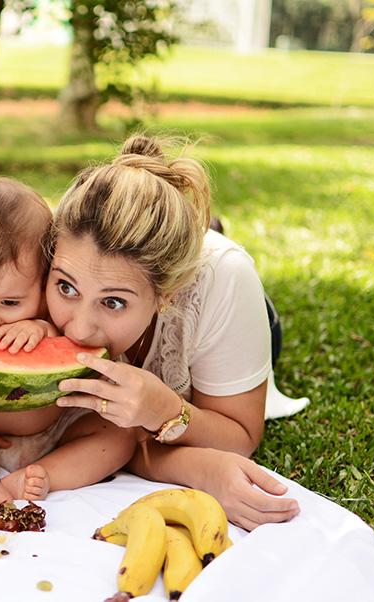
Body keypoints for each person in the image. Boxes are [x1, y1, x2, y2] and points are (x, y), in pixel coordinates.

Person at [48, 135, 302, 531]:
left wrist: (167, 411)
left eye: (113, 301)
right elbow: (115, 443)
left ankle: (206, 229)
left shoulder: (222, 280)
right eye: (66, 287)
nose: (79, 329)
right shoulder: (55, 254)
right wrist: (192, 465)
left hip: (230, 312)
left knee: (227, 272)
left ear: (168, 293)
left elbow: (241, 436)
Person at [0, 178, 138, 514]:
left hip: (57, 429)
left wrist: (43, 329)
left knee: (118, 438)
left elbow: (68, 347)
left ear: (44, 279)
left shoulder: (49, 313)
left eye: (9, 302)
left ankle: (43, 476)